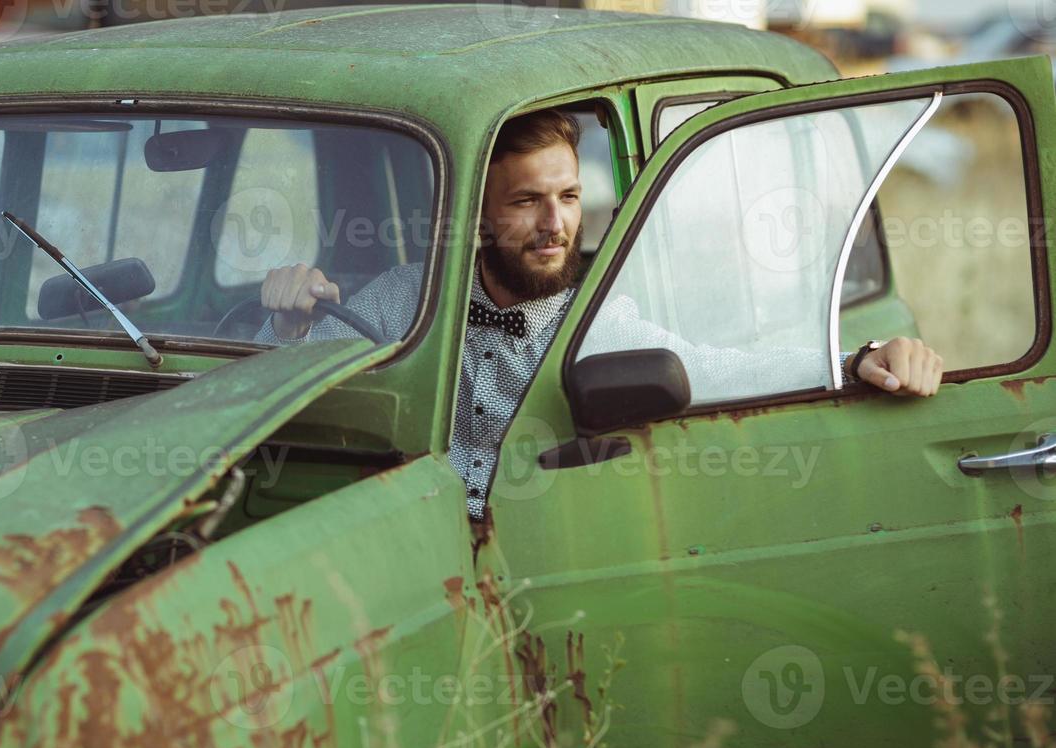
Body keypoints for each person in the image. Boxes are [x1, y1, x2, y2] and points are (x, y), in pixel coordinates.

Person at [255, 108, 945, 520]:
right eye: (526, 201)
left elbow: (717, 370)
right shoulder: (404, 295)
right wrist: (286, 327)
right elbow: (278, 396)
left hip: (536, 552)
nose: (555, 223)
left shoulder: (597, 321)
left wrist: (857, 359)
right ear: (476, 215)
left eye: (569, 195)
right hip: (405, 544)